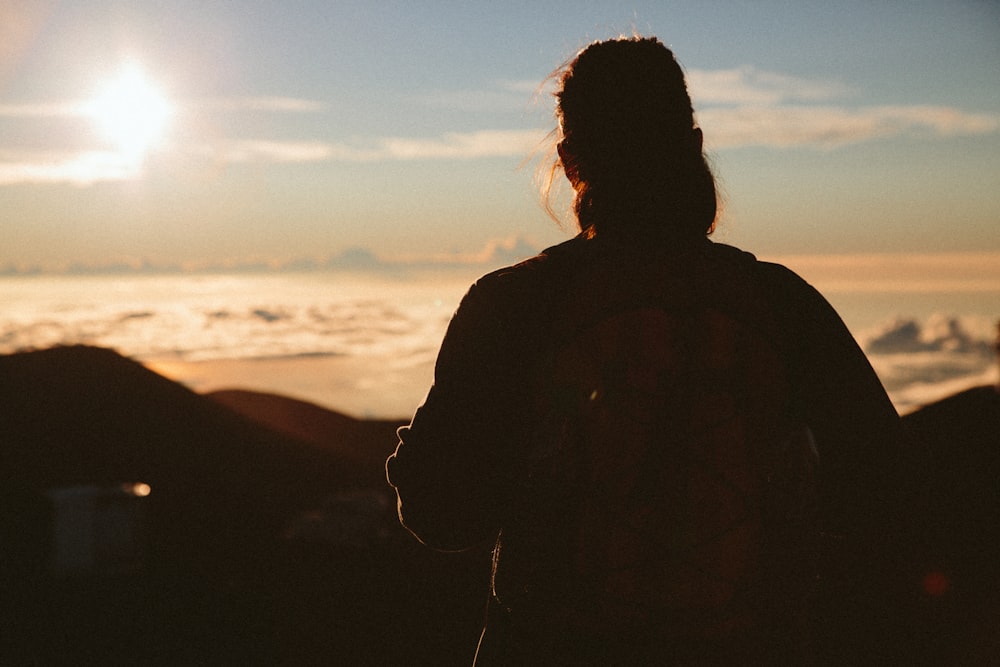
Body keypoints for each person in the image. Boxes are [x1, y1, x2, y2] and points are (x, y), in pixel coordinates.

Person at [386, 36, 903, 665]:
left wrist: (415, 457)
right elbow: (885, 493)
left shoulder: (513, 307)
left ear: (572, 162)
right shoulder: (785, 306)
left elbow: (444, 516)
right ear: (693, 145)